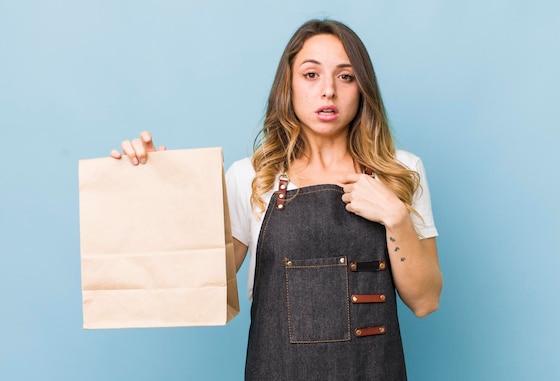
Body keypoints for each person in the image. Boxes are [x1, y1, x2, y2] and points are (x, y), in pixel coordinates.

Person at [111, 19, 442, 381]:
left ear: (363, 88)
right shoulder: (249, 177)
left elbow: (426, 302)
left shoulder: (400, 171)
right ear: (289, 85)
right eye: (311, 74)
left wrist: (396, 217)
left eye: (345, 76)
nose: (328, 90)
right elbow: (197, 289)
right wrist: (151, 184)